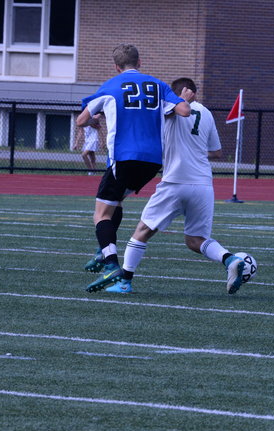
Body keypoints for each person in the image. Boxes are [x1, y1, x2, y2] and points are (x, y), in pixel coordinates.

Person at [105, 77, 248, 295]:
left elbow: (164, 118)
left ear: (179, 93)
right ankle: (230, 259)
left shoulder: (170, 107)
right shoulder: (206, 113)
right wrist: (194, 151)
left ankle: (124, 282)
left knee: (142, 232)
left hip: (175, 182)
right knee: (195, 240)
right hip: (203, 184)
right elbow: (217, 152)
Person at [77, 43, 191, 292]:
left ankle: (110, 263)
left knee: (101, 214)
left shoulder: (110, 86)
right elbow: (184, 110)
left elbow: (81, 120)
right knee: (115, 202)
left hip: (124, 157)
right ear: (139, 62)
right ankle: (103, 250)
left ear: (116, 67)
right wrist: (183, 99)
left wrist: (94, 121)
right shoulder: (159, 85)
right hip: (152, 161)